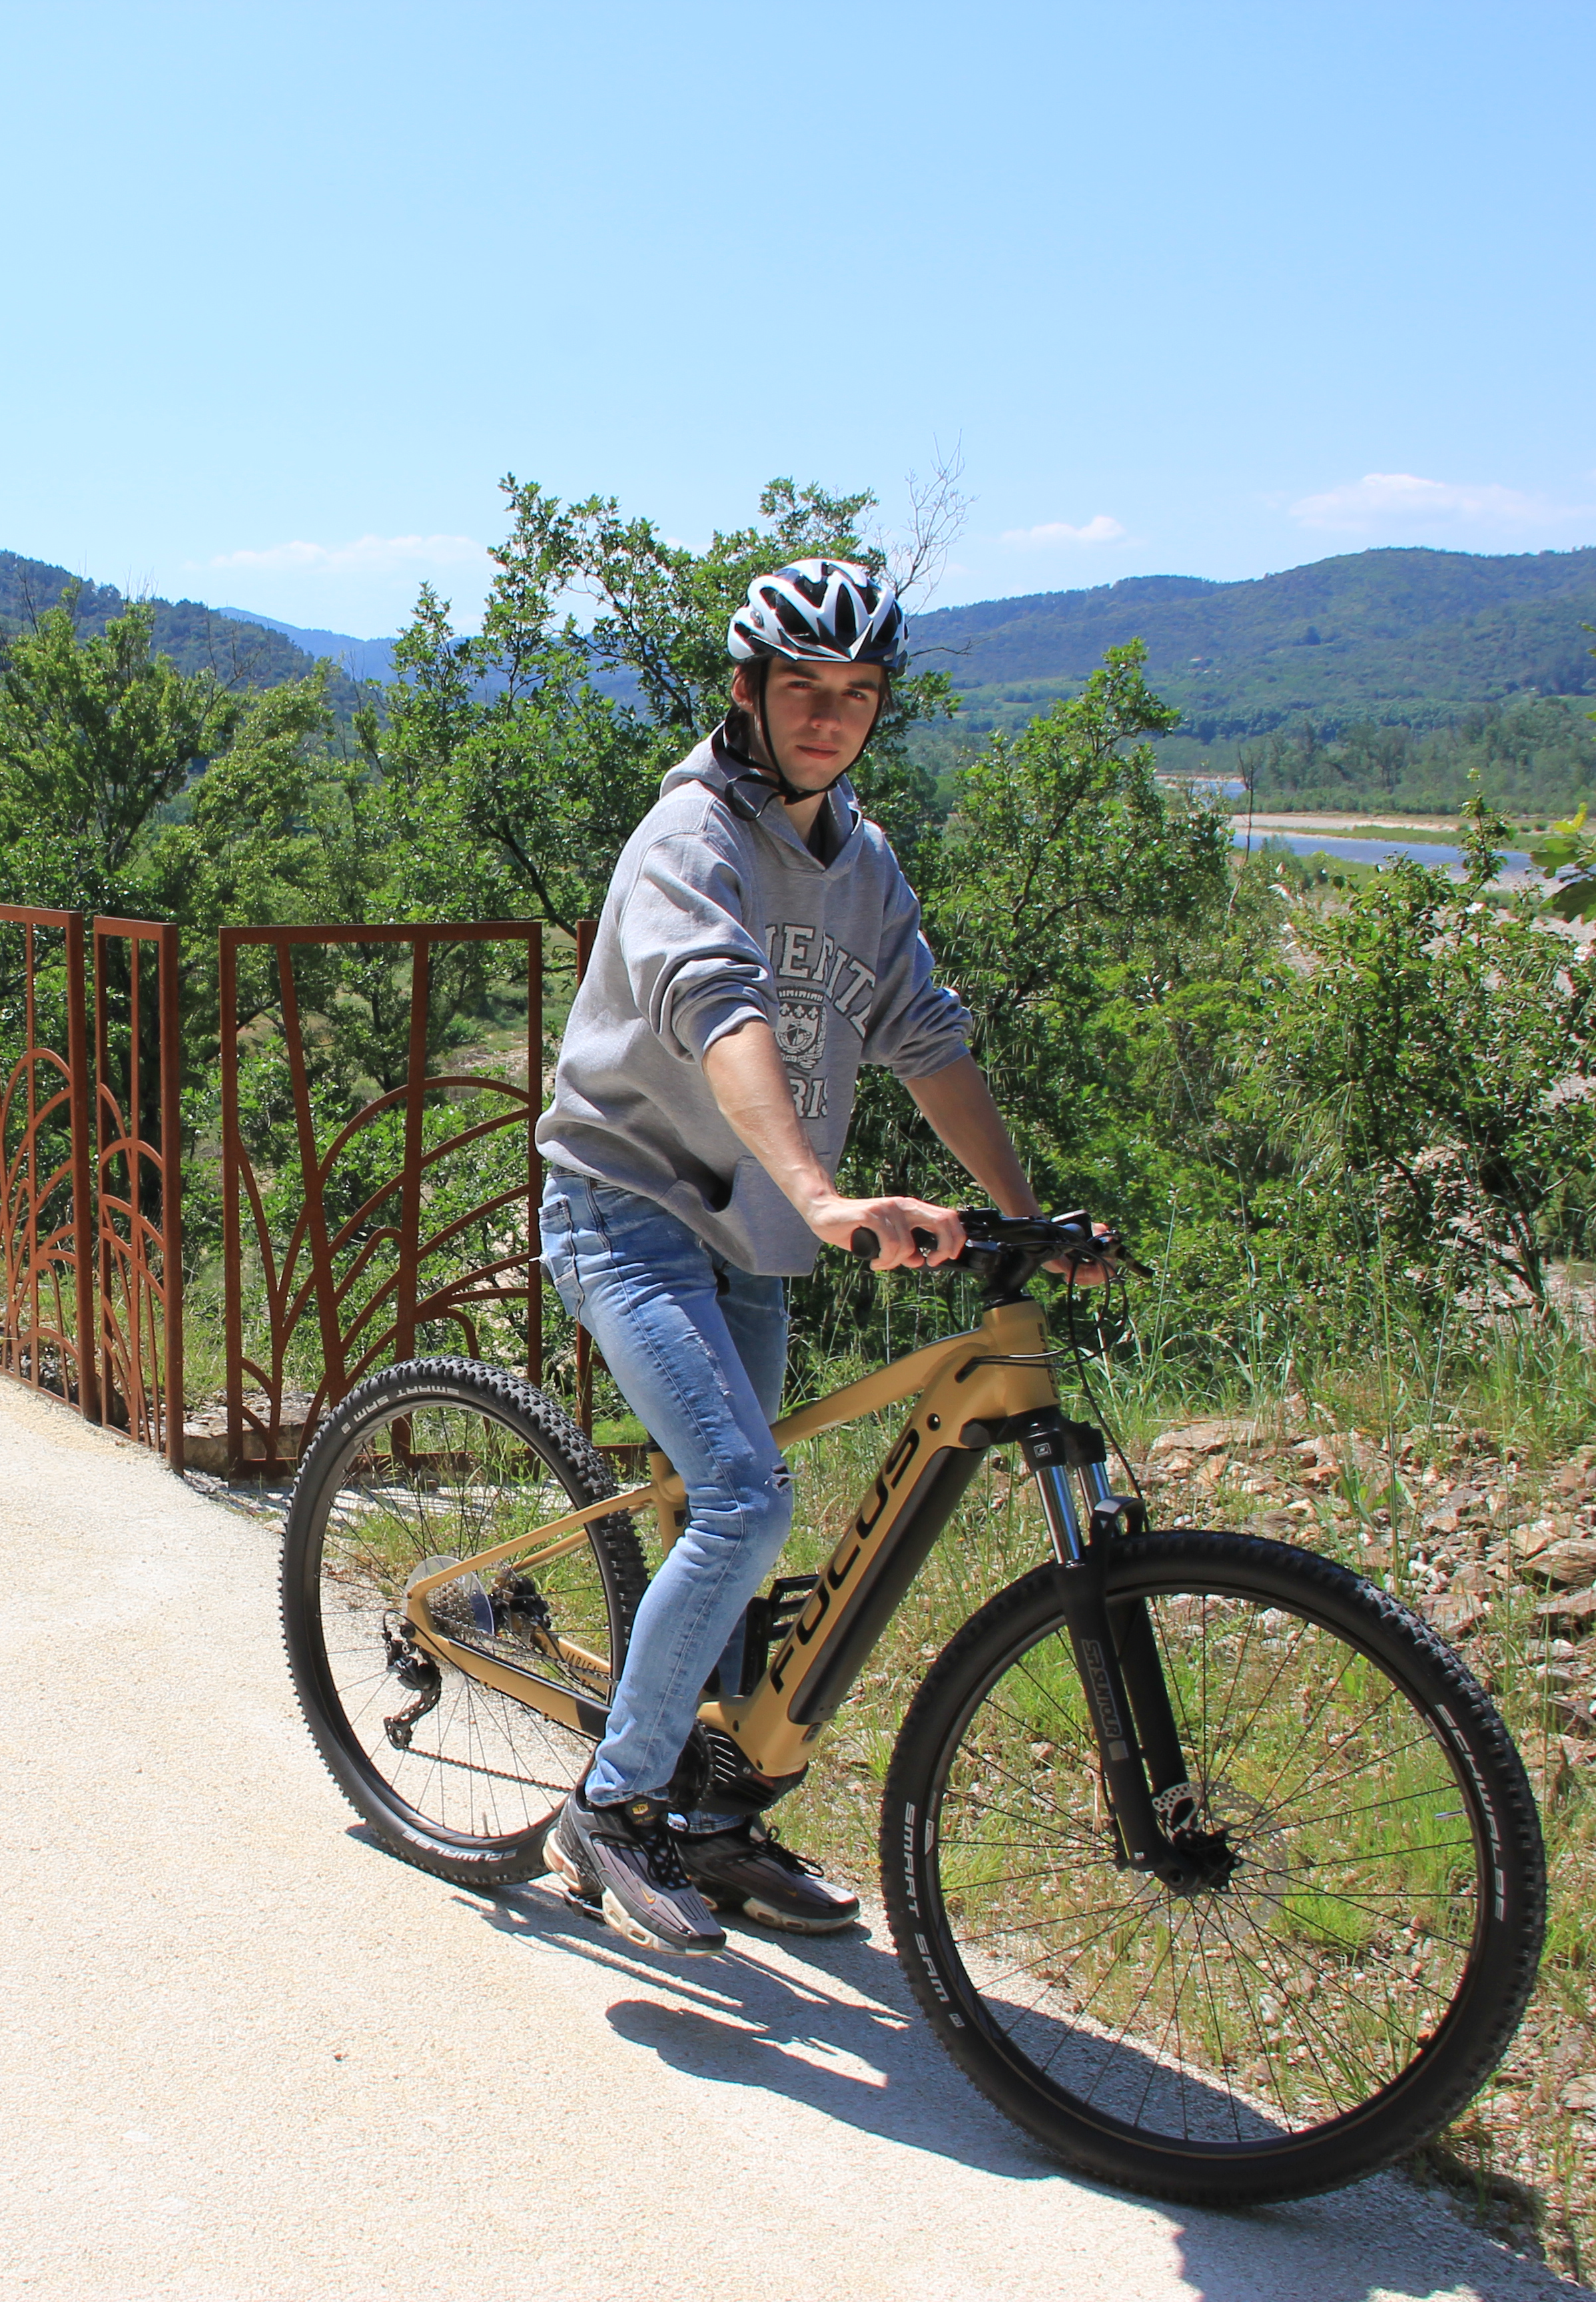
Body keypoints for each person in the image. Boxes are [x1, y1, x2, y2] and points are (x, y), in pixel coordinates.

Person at [533, 557, 1104, 1954]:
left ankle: (711, 1822)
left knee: (727, 1523)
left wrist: (1023, 1210)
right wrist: (825, 1192)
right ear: (748, 692)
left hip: (756, 1235)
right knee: (743, 1501)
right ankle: (607, 1813)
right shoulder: (690, 839)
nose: (831, 715)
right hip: (630, 1205)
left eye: (857, 693)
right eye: (805, 688)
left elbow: (927, 1037)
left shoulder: (863, 860)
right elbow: (723, 1018)